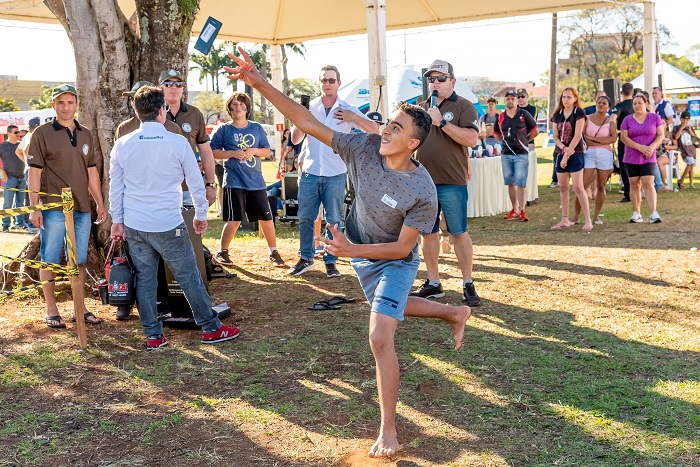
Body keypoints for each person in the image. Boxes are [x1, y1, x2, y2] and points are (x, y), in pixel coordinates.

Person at [224, 47, 472, 458]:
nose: (384, 131)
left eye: (394, 128)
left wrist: (349, 248)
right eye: (386, 123)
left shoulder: (422, 190)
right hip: (359, 253)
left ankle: (388, 430)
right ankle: (452, 312)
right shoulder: (361, 148)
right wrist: (259, 83)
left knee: (379, 334)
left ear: (412, 143)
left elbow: (402, 248)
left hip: (391, 259)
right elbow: (304, 121)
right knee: (387, 306)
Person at [109, 85, 240, 350]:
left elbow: (116, 187)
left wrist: (117, 220)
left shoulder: (123, 144)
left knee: (146, 279)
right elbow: (195, 181)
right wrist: (201, 214)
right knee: (189, 276)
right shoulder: (177, 141)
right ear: (162, 110)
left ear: (135, 110)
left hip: (135, 223)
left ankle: (153, 335)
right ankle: (211, 328)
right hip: (169, 221)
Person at [287, 65, 378, 278]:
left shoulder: (347, 108)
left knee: (334, 220)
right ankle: (306, 258)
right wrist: (301, 116)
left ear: (338, 83)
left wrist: (352, 118)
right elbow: (295, 139)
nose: (327, 84)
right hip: (310, 171)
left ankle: (331, 261)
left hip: (336, 172)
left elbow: (374, 130)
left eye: (331, 80)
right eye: (323, 80)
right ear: (319, 83)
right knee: (305, 218)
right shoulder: (310, 108)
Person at [27, 84, 107, 327]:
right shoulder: (41, 133)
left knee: (79, 260)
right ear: (53, 105)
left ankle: (79, 307)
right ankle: (51, 309)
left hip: (82, 208)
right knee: (49, 258)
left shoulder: (85, 133)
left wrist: (99, 204)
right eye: (60, 102)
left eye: (70, 102)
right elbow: (34, 172)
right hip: (53, 207)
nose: (65, 107)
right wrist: (34, 206)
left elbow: (92, 171)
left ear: (76, 105)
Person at [411, 59, 481, 306]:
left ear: (453, 80)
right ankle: (433, 283)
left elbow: (471, 139)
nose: (436, 83)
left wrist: (441, 121)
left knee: (458, 233)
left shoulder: (463, 106)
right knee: (428, 234)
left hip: (452, 180)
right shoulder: (420, 108)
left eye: (441, 78)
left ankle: (467, 282)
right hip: (424, 182)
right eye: (432, 79)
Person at [210, 92, 286, 268]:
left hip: (256, 181)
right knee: (234, 219)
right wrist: (232, 154)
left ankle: (273, 251)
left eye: (242, 105)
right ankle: (223, 251)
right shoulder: (224, 129)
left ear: (247, 108)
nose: (238, 108)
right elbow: (213, 152)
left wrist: (253, 151)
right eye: (234, 105)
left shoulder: (256, 128)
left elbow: (267, 151)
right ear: (229, 108)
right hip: (234, 181)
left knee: (266, 218)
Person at [158, 69, 217, 207]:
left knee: (191, 228)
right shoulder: (153, 114)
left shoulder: (194, 114)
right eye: (168, 84)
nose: (174, 87)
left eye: (178, 84)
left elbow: (205, 150)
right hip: (160, 189)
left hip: (190, 189)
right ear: (159, 88)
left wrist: (210, 183)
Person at [550, 87, 592, 232]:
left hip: (576, 152)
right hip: (560, 151)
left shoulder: (579, 113)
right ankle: (565, 219)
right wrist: (563, 149)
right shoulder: (557, 115)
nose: (566, 100)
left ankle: (588, 220)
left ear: (575, 98)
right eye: (563, 97)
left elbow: (578, 135)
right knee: (563, 187)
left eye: (569, 97)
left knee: (578, 187)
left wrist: (568, 154)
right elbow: (555, 135)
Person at [619, 93, 665, 223]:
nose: (637, 105)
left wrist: (652, 147)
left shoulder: (654, 118)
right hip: (631, 156)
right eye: (634, 103)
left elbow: (660, 135)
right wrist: (640, 147)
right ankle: (636, 213)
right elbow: (624, 138)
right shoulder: (627, 119)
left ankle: (653, 213)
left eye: (639, 102)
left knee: (648, 183)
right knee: (634, 184)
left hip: (649, 155)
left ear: (646, 103)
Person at [493, 90, 538, 222]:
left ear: (517, 100)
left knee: (521, 183)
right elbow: (496, 134)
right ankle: (514, 209)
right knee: (510, 183)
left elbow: (535, 131)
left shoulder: (524, 114)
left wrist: (525, 141)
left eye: (513, 98)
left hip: (521, 154)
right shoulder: (500, 117)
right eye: (508, 99)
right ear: (504, 101)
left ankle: (523, 210)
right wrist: (505, 142)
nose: (510, 101)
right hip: (506, 154)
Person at [574, 94, 617, 225]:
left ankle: (596, 216)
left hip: (605, 154)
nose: (601, 105)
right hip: (589, 153)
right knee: (582, 185)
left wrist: (594, 140)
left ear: (608, 107)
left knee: (601, 185)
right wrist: (599, 141)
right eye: (599, 102)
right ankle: (576, 216)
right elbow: (583, 137)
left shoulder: (611, 122)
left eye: (604, 103)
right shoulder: (587, 119)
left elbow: (612, 139)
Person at [1, 125, 29, 232]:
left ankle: (20, 223)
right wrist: (2, 172)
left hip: (21, 178)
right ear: (9, 133)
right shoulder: (3, 146)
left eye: (19, 133)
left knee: (20, 203)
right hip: (9, 178)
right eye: (16, 133)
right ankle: (5, 226)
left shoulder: (20, 145)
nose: (18, 135)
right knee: (8, 203)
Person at [15, 117, 41, 229]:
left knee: (30, 197)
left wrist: (26, 161)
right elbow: (25, 150)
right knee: (35, 197)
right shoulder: (32, 135)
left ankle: (31, 224)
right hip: (33, 170)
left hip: (29, 169)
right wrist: (31, 162)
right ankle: (32, 225)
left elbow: (18, 151)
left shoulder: (26, 136)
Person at [611, 82, 635, 203]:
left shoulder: (620, 106)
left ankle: (628, 194)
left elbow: (613, 117)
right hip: (637, 139)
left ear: (621, 93)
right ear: (633, 93)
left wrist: (615, 130)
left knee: (625, 166)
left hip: (624, 140)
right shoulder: (637, 105)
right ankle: (638, 191)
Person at [670, 111, 697, 189]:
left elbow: (694, 138)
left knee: (691, 166)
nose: (685, 121)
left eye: (687, 120)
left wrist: (690, 130)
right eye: (684, 120)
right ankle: (681, 180)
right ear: (681, 119)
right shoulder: (676, 127)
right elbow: (676, 137)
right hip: (684, 149)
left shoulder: (690, 128)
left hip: (691, 149)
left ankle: (691, 183)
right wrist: (681, 128)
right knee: (690, 163)